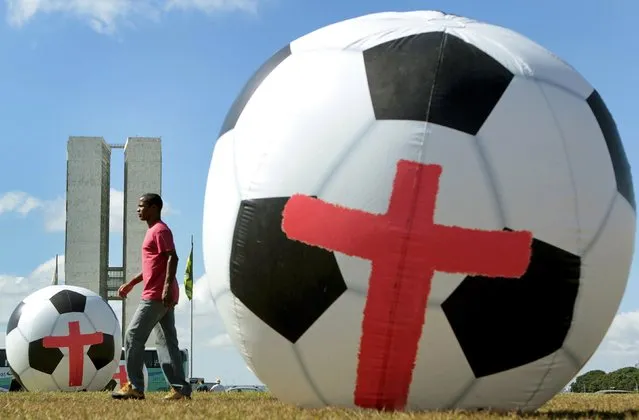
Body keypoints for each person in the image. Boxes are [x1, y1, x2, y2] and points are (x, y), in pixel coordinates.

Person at [111, 193, 192, 401]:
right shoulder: (153, 232)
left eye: (142, 206)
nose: (138, 209)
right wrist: (131, 283)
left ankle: (136, 387)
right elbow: (152, 267)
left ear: (154, 208)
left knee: (132, 336)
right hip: (161, 293)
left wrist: (165, 288)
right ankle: (180, 390)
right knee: (166, 343)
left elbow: (173, 257)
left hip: (157, 295)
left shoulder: (160, 230)